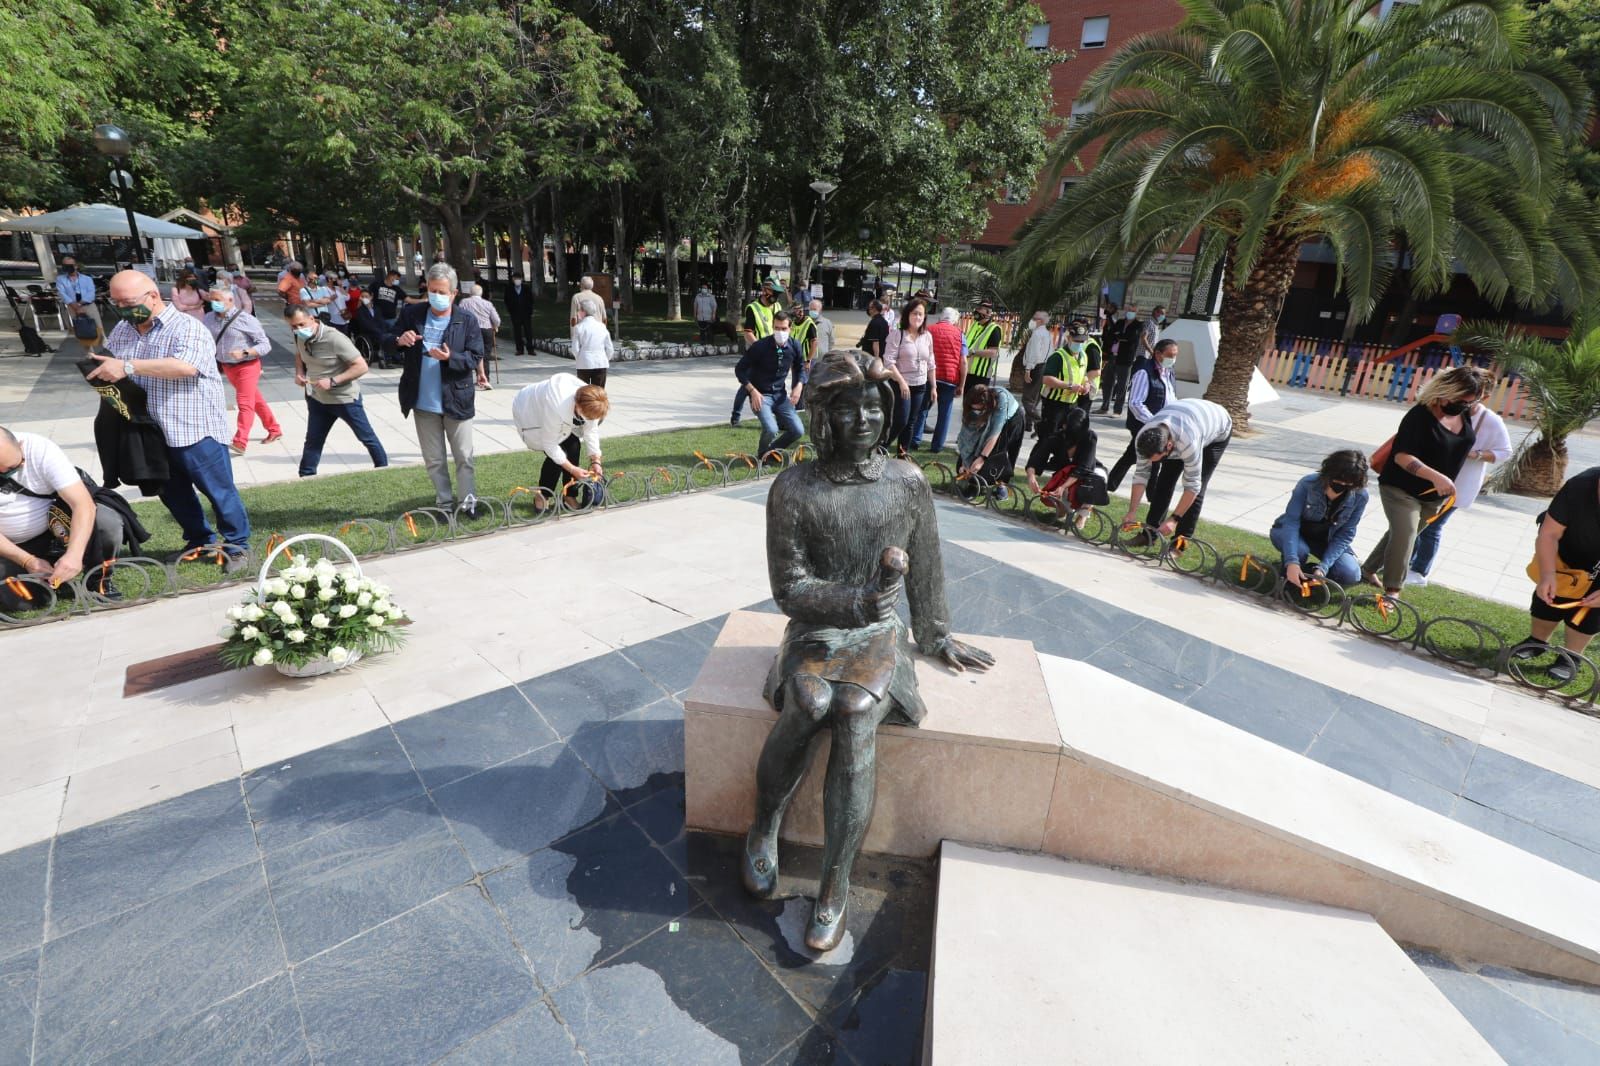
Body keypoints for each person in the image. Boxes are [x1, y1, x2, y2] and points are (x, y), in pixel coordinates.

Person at [744, 348, 992, 950]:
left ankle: (834, 885)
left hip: (878, 637)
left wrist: (933, 633)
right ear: (823, 415)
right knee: (806, 698)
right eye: (849, 410)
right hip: (816, 628)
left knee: (854, 712)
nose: (864, 422)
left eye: (875, 409)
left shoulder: (906, 484)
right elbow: (790, 589)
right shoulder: (794, 488)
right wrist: (858, 600)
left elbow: (927, 564)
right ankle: (764, 825)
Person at [89, 270, 251, 568]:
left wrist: (128, 366)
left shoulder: (188, 328)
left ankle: (237, 545)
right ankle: (200, 540)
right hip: (149, 432)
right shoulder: (124, 329)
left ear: (152, 296)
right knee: (173, 493)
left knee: (218, 490)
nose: (122, 309)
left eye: (127, 302)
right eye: (116, 302)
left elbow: (186, 367)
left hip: (194, 427)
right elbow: (113, 363)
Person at [1360, 366, 1487, 598]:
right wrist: (1436, 476)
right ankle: (1393, 591)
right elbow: (1401, 456)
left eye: (1468, 402)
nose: (1462, 405)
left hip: (1434, 496)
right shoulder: (1419, 415)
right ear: (1444, 390)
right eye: (1459, 399)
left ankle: (1368, 570)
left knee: (1401, 535)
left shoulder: (1464, 413)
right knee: (1406, 534)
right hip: (1400, 487)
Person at [389, 263, 485, 513]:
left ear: (453, 293)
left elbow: (475, 356)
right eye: (432, 290)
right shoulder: (412, 314)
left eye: (442, 292)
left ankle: (468, 504)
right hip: (423, 402)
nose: (437, 296)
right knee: (434, 459)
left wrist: (450, 358)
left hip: (457, 398)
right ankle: (443, 503)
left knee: (464, 457)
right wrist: (400, 340)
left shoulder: (466, 320)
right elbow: (388, 340)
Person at [0, 426, 125, 608]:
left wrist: (74, 555)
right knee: (24, 601)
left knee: (105, 522)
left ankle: (98, 581)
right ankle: (51, 579)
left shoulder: (40, 449)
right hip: (10, 547)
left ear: (20, 445)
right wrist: (27, 560)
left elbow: (83, 504)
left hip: (57, 528)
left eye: (12, 468)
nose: (6, 474)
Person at [1406, 395, 1511, 586]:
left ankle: (1420, 571)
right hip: (1432, 480)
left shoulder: (1490, 420)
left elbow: (1505, 452)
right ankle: (1406, 563)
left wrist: (1475, 454)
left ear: (1483, 395)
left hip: (1458, 485)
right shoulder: (1448, 410)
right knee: (1417, 524)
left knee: (1432, 527)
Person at [286, 305, 388, 478]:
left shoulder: (335, 338)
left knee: (366, 437)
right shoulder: (299, 337)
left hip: (344, 399)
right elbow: (299, 355)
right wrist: (299, 373)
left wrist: (333, 381)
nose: (298, 329)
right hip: (318, 400)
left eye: (301, 324)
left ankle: (384, 470)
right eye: (293, 327)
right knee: (313, 442)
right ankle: (306, 477)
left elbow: (361, 366)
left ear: (311, 318)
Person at [1519, 467, 1600, 682]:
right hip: (1566, 550)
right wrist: (1547, 575)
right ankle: (1537, 642)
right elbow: (1549, 533)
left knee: (1588, 611)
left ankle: (1571, 657)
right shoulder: (1580, 486)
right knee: (1548, 596)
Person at [1123, 397, 1233, 542]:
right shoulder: (1143, 438)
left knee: (1198, 487)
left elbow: (1193, 486)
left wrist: (1174, 519)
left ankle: (1179, 544)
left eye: (1156, 458)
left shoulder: (1189, 443)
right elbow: (1141, 474)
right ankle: (1149, 535)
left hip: (1216, 429)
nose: (1150, 463)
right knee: (1164, 482)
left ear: (1168, 446)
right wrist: (1132, 512)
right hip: (1184, 421)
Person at [1270, 450, 1370, 588]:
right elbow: (1291, 522)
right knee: (1299, 551)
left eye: (1348, 484)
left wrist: (1323, 568)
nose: (1341, 486)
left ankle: (1309, 573)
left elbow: (1346, 533)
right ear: (1328, 474)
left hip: (1327, 539)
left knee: (1350, 574)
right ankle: (1289, 575)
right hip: (1294, 531)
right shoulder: (1308, 484)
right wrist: (1292, 561)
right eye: (1337, 480)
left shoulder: (1360, 496)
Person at [203, 283, 281, 456]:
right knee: (255, 399)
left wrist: (245, 352)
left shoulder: (245, 319)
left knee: (244, 403)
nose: (214, 303)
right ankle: (274, 428)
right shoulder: (208, 318)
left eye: (218, 300)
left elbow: (265, 345)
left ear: (230, 300)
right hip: (227, 366)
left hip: (247, 365)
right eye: (212, 299)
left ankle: (240, 441)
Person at [511, 373, 608, 509]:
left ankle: (569, 496)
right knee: (558, 456)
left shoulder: (593, 400)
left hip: (559, 412)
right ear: (578, 407)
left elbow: (591, 431)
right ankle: (542, 496)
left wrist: (595, 461)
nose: (589, 420)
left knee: (573, 446)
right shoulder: (557, 405)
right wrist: (573, 469)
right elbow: (550, 445)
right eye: (586, 416)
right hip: (529, 410)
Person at [734, 309, 806, 457]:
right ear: (773, 327)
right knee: (772, 429)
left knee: (798, 430)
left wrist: (799, 385)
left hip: (780, 396)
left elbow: (800, 368)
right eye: (777, 328)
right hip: (760, 396)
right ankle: (762, 456)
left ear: (790, 329)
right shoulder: (760, 346)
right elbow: (740, 370)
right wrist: (752, 391)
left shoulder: (795, 346)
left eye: (784, 328)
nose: (780, 332)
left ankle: (771, 452)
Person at [1108, 338, 1177, 491]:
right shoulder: (1144, 371)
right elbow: (1135, 403)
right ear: (1158, 354)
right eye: (1170, 355)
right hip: (1145, 424)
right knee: (1143, 457)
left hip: (1162, 426)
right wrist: (1154, 422)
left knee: (1149, 459)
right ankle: (1112, 485)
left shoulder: (1169, 372)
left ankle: (1113, 485)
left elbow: (1170, 396)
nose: (1173, 359)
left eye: (1175, 355)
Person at [1024, 405, 1099, 528]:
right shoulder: (1056, 438)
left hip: (1088, 469)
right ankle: (1063, 509)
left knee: (1095, 482)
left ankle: (1083, 514)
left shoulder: (1090, 437)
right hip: (1065, 471)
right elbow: (1037, 458)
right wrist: (1031, 476)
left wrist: (1063, 486)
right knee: (1062, 488)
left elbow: (1085, 466)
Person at [956, 383, 1024, 500]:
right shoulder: (973, 405)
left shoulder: (1001, 401)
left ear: (985, 405)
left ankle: (1001, 485)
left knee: (999, 451)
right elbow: (967, 435)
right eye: (973, 409)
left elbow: (994, 435)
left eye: (979, 409)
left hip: (1013, 420)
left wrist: (982, 458)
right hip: (992, 415)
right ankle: (973, 484)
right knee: (977, 443)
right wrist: (965, 461)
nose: (975, 411)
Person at [883, 298, 934, 452]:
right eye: (914, 313)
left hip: (920, 385)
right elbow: (888, 361)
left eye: (921, 314)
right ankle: (881, 447)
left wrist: (933, 386)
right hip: (901, 384)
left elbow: (931, 362)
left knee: (911, 421)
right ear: (907, 315)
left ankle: (902, 454)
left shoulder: (927, 336)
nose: (918, 317)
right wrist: (901, 382)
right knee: (901, 420)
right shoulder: (897, 335)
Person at [733, 281, 782, 425]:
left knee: (776, 385)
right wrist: (760, 349)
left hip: (773, 353)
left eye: (778, 293)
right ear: (765, 290)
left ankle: (779, 418)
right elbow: (748, 333)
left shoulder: (777, 306)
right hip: (756, 354)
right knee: (746, 385)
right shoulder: (753, 308)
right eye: (774, 293)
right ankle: (735, 418)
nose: (776, 297)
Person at [1037, 323, 1096, 440]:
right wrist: (1069, 386)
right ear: (1068, 338)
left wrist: (1087, 384)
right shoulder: (1058, 356)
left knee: (1066, 440)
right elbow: (1046, 379)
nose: (1079, 344)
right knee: (1047, 439)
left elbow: (1083, 374)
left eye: (1082, 341)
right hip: (1054, 405)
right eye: (1076, 341)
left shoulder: (1083, 355)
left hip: (1072, 404)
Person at [927, 307, 966, 453]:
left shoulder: (929, 330)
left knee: (922, 411)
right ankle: (936, 446)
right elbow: (963, 362)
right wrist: (961, 384)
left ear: (940, 317)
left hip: (929, 377)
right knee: (944, 414)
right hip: (949, 379)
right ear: (955, 321)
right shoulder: (960, 334)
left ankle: (915, 441)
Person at [458, 281, 501, 390]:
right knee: (485, 355)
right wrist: (495, 326)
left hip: (470, 330)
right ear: (481, 294)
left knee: (471, 353)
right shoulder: (488, 304)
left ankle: (475, 378)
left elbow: (459, 315)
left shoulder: (464, 302)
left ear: (470, 293)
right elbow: (496, 320)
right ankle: (485, 378)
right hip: (486, 330)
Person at [1020, 311, 1053, 433]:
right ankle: (1028, 424)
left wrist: (1028, 369)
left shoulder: (1037, 334)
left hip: (1036, 367)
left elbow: (1034, 353)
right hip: (1044, 367)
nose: (1032, 320)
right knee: (1034, 398)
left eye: (1034, 318)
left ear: (1039, 320)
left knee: (1027, 399)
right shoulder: (1047, 334)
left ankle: (1040, 422)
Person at [55, 257, 102, 342]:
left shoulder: (87, 279)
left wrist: (80, 304)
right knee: (81, 329)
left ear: (75, 266)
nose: (67, 267)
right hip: (72, 306)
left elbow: (91, 293)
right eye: (65, 265)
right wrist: (75, 306)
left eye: (69, 265)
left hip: (88, 305)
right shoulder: (60, 279)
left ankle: (104, 345)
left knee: (98, 327)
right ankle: (89, 352)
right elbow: (62, 293)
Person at [571, 298, 614, 387]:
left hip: (584, 363)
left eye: (579, 310)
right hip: (601, 362)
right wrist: (605, 358)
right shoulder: (602, 326)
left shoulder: (578, 327)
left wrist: (579, 358)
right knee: (598, 392)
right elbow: (610, 348)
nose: (578, 313)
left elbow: (575, 349)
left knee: (584, 392)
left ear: (583, 311)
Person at [963, 302, 1003, 389]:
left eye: (980, 309)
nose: (976, 311)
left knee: (976, 401)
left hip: (981, 375)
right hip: (967, 371)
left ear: (988, 313)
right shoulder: (975, 325)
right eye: (976, 308)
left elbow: (993, 352)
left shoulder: (994, 329)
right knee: (966, 401)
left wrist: (973, 352)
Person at [504, 273, 534, 356]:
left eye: (519, 278)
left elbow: (531, 299)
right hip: (515, 313)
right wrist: (510, 310)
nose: (517, 280)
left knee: (528, 331)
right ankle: (519, 349)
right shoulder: (509, 288)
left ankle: (530, 349)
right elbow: (506, 300)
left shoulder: (526, 288)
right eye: (515, 278)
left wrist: (529, 310)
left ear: (521, 279)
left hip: (526, 313)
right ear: (512, 279)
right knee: (517, 332)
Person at [805, 299, 835, 369]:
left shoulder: (827, 323)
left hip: (822, 361)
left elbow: (831, 341)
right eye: (811, 309)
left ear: (820, 310)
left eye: (815, 309)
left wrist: (825, 353)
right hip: (807, 361)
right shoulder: (805, 322)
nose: (812, 311)